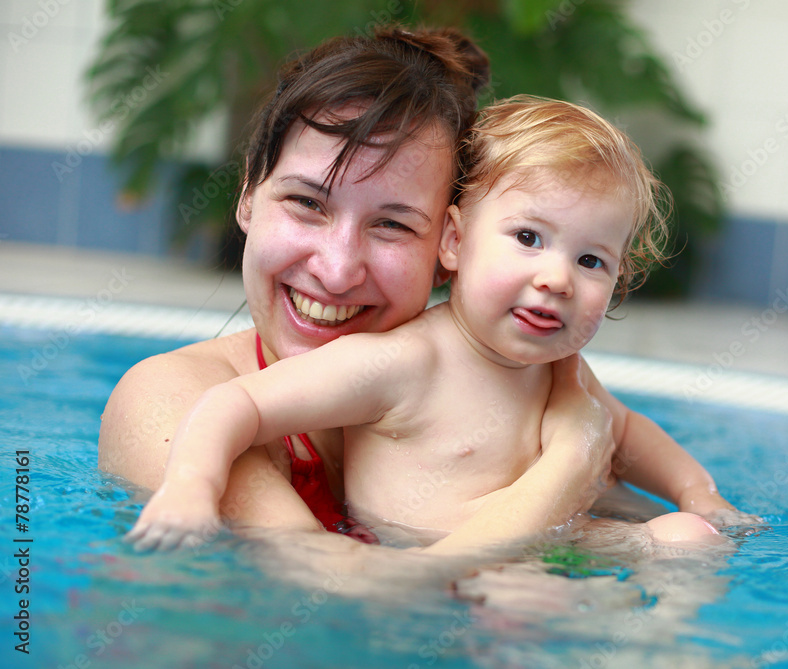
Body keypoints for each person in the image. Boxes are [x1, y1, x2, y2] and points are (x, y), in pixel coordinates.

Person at [127, 96, 743, 553]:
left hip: (551, 543)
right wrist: (191, 484)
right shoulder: (405, 360)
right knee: (525, 601)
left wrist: (698, 492)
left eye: (590, 261)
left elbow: (628, 432)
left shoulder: (561, 371)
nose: (557, 278)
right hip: (423, 567)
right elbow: (236, 403)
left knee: (691, 540)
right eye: (528, 238)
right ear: (453, 239)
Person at [99, 26, 627, 558]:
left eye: (393, 225)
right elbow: (341, 599)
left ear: (452, 249)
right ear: (247, 201)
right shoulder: (168, 402)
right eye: (307, 203)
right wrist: (569, 466)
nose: (336, 271)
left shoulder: (520, 398)